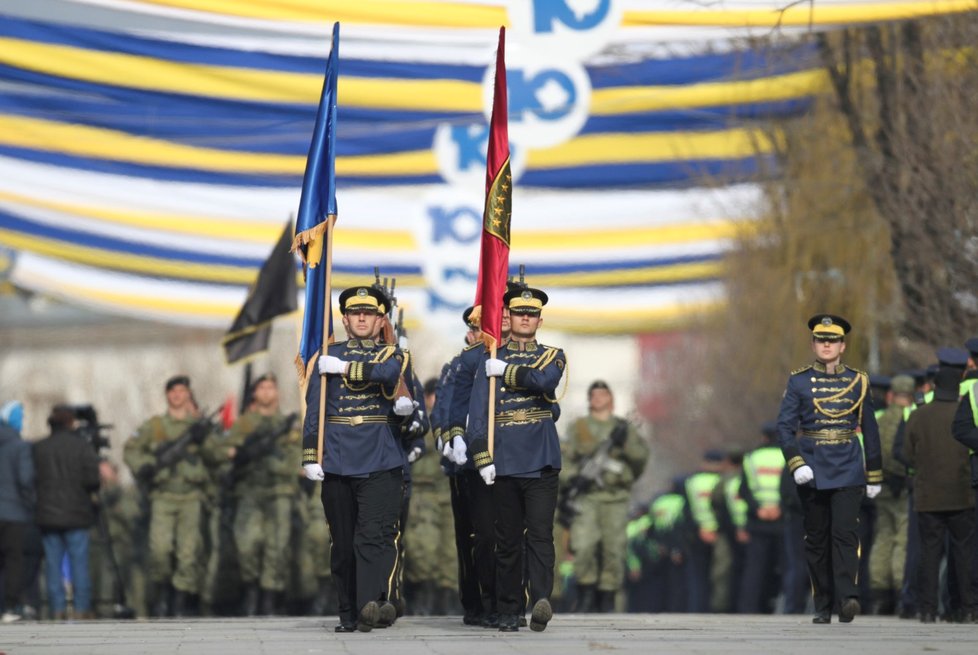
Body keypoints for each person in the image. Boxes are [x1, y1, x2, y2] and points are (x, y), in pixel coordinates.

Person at [301, 284, 410, 633]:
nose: (362, 318)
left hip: (379, 458)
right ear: (345, 320)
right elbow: (314, 410)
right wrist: (309, 454)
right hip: (337, 457)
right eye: (355, 313)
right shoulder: (324, 355)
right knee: (343, 543)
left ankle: (368, 605)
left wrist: (345, 368)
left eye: (370, 313)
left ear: (381, 321)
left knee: (372, 537)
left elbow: (388, 375)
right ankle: (348, 613)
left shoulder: (393, 354)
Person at [467, 284, 565, 632]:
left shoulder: (553, 354)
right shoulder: (489, 358)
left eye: (532, 314)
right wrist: (481, 455)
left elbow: (542, 380)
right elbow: (477, 413)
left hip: (540, 458)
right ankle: (510, 609)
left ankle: (540, 599)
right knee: (506, 540)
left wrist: (505, 372)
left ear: (540, 319)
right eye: (520, 313)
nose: (525, 318)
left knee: (539, 534)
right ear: (509, 316)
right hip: (504, 458)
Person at [776, 314, 882, 624]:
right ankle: (823, 603)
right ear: (813, 344)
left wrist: (874, 473)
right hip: (812, 465)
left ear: (842, 345)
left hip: (848, 464)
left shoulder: (858, 380)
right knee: (817, 538)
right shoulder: (798, 381)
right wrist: (796, 464)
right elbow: (785, 428)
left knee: (846, 534)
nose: (826, 344)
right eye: (821, 339)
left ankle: (847, 597)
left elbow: (870, 429)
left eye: (832, 340)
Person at [123, 375, 220, 617]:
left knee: (188, 553)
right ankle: (164, 592)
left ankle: (179, 602)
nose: (177, 395)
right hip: (163, 495)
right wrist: (145, 465)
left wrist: (204, 438)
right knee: (159, 549)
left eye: (182, 391)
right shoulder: (155, 426)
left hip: (191, 495)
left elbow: (217, 455)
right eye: (172, 391)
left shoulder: (198, 426)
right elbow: (131, 449)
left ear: (188, 394)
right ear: (167, 395)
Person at [560, 380, 648, 613]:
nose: (598, 398)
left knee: (614, 548)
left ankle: (607, 595)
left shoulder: (624, 428)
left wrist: (625, 443)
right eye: (594, 395)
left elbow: (640, 460)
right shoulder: (578, 428)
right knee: (584, 544)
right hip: (587, 497)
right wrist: (572, 478)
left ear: (611, 398)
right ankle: (586, 591)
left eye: (603, 394)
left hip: (616, 497)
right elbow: (564, 459)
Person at [222, 373, 301, 616]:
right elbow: (225, 452)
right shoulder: (244, 424)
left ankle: (268, 599)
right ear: (255, 393)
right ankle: (251, 590)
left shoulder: (290, 424)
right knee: (246, 544)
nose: (266, 392)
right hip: (250, 491)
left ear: (277, 392)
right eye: (262, 388)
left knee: (276, 547)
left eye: (271, 387)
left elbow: (297, 458)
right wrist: (240, 454)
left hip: (280, 492)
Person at [904, 359, 976, 623]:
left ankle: (927, 608)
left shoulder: (918, 414)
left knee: (928, 552)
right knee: (964, 553)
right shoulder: (964, 412)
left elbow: (905, 453)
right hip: (961, 493)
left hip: (927, 495)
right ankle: (967, 607)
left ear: (934, 385)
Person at [33, 404, 101, 620]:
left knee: (52, 565)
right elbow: (93, 480)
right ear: (71, 423)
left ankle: (57, 608)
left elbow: (29, 480)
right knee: (79, 563)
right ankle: (81, 608)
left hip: (47, 515)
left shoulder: (39, 448)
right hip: (77, 514)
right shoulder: (81, 446)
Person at [868, 373, 914, 614]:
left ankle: (879, 591)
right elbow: (904, 452)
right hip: (903, 487)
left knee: (883, 536)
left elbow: (875, 452)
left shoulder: (879, 419)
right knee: (903, 539)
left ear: (891, 396)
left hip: (881, 486)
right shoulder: (912, 417)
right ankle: (899, 586)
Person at [737, 422, 786, 614]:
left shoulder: (750, 459)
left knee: (754, 570)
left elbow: (743, 490)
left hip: (758, 522)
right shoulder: (790, 456)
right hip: (782, 521)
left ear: (764, 438)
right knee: (784, 568)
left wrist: (758, 509)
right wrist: (779, 508)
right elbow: (794, 488)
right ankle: (783, 607)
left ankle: (748, 609)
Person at [0, 401, 34, 623]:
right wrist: (32, 503)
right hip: (13, 513)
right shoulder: (20, 446)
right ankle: (10, 607)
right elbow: (26, 480)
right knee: (13, 560)